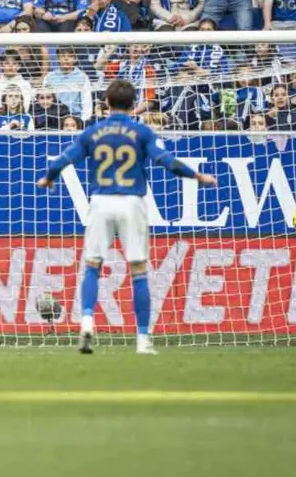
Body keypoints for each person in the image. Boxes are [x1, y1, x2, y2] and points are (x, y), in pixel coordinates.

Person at [37, 79, 216, 355]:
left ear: (107, 102)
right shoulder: (141, 131)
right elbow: (165, 160)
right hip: (132, 202)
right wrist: (197, 176)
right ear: (133, 105)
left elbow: (62, 160)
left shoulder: (93, 132)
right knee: (139, 271)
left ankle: (87, 320)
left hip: (101, 201)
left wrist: (49, 178)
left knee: (92, 266)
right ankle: (143, 340)